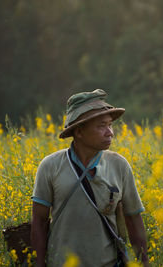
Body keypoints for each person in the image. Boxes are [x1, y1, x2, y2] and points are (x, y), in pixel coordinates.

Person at [31, 89, 149, 267]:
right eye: (101, 126)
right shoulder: (50, 166)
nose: (110, 132)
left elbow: (133, 219)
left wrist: (144, 263)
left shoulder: (119, 165)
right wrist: (39, 264)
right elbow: (39, 222)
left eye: (110, 125)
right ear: (79, 132)